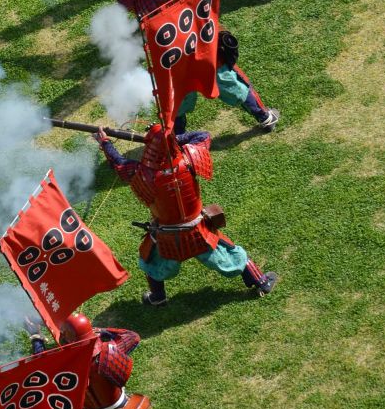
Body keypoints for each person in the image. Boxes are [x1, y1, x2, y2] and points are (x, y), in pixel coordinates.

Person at [95, 122, 279, 306]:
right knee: (231, 255)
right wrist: (171, 138)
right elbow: (203, 135)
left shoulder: (139, 172)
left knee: (152, 265)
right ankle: (260, 282)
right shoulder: (190, 157)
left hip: (166, 235)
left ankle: (158, 297)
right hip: (199, 230)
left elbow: (118, 163)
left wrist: (104, 141)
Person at [111, 0, 280, 132]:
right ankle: (264, 117)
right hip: (205, 51)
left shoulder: (144, 1)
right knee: (233, 86)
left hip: (177, 63)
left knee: (178, 102)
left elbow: (123, 2)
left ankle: (177, 141)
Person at [28, 313, 208, 409]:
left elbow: (41, 362)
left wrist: (36, 337)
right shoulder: (108, 350)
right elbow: (132, 337)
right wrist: (99, 332)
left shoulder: (62, 368)